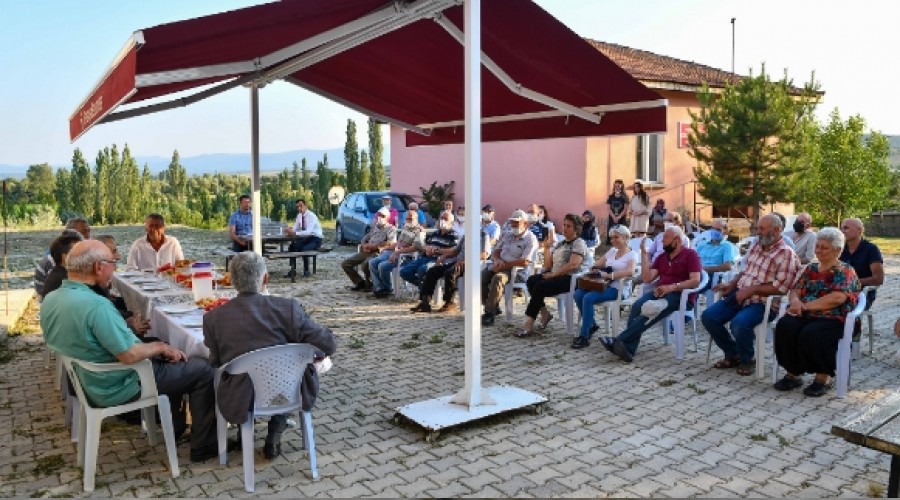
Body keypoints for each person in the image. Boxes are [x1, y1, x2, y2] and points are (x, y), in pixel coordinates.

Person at [40, 240, 220, 463]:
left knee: (172, 355)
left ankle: (175, 425)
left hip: (86, 378)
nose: (114, 269)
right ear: (98, 267)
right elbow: (129, 355)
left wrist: (159, 347)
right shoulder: (96, 305)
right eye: (113, 263)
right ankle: (205, 445)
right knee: (202, 368)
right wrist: (161, 347)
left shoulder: (53, 298)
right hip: (117, 383)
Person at [203, 251, 337, 458]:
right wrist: (309, 352)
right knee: (292, 370)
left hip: (242, 396)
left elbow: (216, 361)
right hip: (288, 391)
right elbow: (328, 344)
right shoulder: (288, 308)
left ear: (231, 282)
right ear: (265, 279)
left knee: (240, 372)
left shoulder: (213, 318)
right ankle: (275, 434)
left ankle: (243, 432)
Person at [702, 214, 801, 376]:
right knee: (708, 317)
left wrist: (752, 289)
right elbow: (744, 271)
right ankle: (733, 353)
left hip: (763, 303)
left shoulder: (786, 254)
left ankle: (747, 359)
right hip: (740, 293)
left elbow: (782, 287)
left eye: (761, 229)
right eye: (757, 228)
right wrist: (732, 284)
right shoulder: (757, 245)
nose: (758, 232)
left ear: (776, 230)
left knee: (739, 324)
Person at [772, 227, 860, 397]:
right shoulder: (811, 269)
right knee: (785, 326)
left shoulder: (845, 271)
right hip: (806, 314)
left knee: (811, 334)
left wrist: (804, 307)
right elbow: (795, 289)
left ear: (838, 250)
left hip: (835, 317)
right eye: (817, 246)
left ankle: (823, 377)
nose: (819, 250)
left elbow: (837, 299)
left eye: (824, 247)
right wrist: (796, 301)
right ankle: (794, 373)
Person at [598, 226, 702, 362]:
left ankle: (620, 341)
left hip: (681, 296)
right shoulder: (662, 257)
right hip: (660, 292)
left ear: (676, 240)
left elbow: (695, 280)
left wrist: (672, 287)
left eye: (665, 238)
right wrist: (643, 254)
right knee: (637, 306)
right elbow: (647, 279)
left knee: (650, 310)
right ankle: (628, 348)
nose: (662, 242)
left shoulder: (690, 254)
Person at [518, 214, 587, 337]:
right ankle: (544, 314)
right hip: (556, 275)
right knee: (531, 281)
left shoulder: (579, 243)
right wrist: (547, 248)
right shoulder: (561, 243)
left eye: (569, 226)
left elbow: (573, 265)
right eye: (564, 225)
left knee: (540, 286)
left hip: (570, 279)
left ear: (576, 229)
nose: (565, 228)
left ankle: (529, 322)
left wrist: (553, 275)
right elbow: (548, 265)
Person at [571, 224, 637, 349]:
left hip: (619, 288)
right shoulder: (612, 251)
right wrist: (594, 269)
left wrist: (609, 275)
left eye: (616, 237)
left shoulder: (632, 255)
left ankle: (584, 336)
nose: (613, 240)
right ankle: (592, 324)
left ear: (626, 237)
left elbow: (630, 272)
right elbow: (597, 264)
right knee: (578, 294)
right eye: (611, 238)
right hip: (604, 285)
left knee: (588, 298)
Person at [481, 209, 539, 326]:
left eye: (516, 223)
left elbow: (525, 261)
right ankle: (493, 306)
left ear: (525, 224)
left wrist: (504, 265)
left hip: (515, 271)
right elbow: (496, 250)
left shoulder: (530, 239)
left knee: (497, 278)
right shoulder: (508, 235)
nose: (513, 225)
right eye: (512, 222)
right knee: (481, 277)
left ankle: (489, 313)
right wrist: (497, 260)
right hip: (499, 265)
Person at [410, 230, 485, 313]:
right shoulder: (466, 235)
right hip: (458, 262)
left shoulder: (483, 236)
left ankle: (449, 302)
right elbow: (455, 251)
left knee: (449, 273)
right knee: (432, 271)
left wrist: (466, 260)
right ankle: (425, 302)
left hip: (472, 264)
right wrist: (444, 256)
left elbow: (484, 254)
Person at [369, 211, 425, 298]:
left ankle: (387, 288)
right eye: (407, 218)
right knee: (373, 262)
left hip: (407, 256)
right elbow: (399, 243)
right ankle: (379, 288)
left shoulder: (419, 231)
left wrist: (398, 252)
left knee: (382, 266)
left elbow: (416, 248)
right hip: (395, 252)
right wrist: (385, 248)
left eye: (411, 218)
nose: (408, 220)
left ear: (416, 219)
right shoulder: (406, 228)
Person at [403, 211, 459, 297]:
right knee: (404, 271)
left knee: (422, 269)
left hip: (438, 259)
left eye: (445, 219)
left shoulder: (453, 235)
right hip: (425, 257)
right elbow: (426, 245)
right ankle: (423, 287)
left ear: (451, 222)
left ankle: (424, 295)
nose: (443, 220)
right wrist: (427, 248)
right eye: (441, 218)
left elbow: (453, 251)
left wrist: (437, 250)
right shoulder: (435, 233)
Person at [341, 207, 397, 292]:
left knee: (365, 264)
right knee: (346, 264)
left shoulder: (391, 229)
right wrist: (364, 245)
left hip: (379, 252)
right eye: (379, 215)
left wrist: (374, 247)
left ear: (388, 217)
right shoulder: (375, 227)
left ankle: (370, 284)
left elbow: (390, 242)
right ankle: (360, 282)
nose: (380, 217)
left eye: (382, 216)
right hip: (367, 251)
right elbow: (364, 239)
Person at [34, 218, 90, 298]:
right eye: (83, 232)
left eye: (89, 231)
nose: (88, 236)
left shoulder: (62, 250)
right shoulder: (55, 260)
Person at [839, 217, 883, 310]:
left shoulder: (871, 249)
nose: (842, 231)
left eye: (846, 228)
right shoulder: (839, 249)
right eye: (841, 228)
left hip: (862, 294)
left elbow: (878, 279)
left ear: (859, 230)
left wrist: (852, 283)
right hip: (838, 291)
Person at [284, 199, 323, 278]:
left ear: (306, 206)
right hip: (306, 238)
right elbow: (295, 228)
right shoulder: (299, 216)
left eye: (300, 206)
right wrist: (289, 230)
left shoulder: (312, 216)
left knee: (305, 249)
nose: (299, 208)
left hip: (315, 238)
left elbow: (308, 232)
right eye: (297, 207)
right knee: (292, 246)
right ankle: (293, 270)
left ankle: (306, 270)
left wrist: (295, 233)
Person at [695, 221, 738, 292]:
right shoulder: (702, 245)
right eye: (713, 228)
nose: (715, 231)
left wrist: (705, 269)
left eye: (718, 230)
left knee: (689, 288)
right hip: (696, 274)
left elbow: (727, 266)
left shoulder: (727, 246)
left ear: (725, 232)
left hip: (712, 276)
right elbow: (693, 260)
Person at [41, 233, 84, 298]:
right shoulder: (65, 279)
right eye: (79, 251)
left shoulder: (58, 273)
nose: (83, 255)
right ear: (65, 257)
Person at [606, 180, 628, 244]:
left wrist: (618, 217)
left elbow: (625, 209)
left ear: (622, 186)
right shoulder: (611, 197)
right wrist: (613, 217)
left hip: (621, 218)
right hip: (612, 217)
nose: (617, 187)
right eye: (615, 185)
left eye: (618, 185)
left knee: (620, 231)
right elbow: (608, 208)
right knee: (612, 230)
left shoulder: (624, 197)